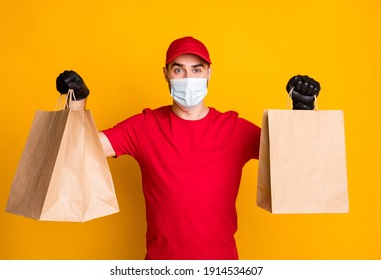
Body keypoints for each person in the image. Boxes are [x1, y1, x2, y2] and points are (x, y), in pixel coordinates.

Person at [56, 36, 320, 260]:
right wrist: (77, 102)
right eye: (178, 70)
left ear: (209, 73)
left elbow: (291, 157)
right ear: (166, 74)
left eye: (196, 69)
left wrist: (302, 110)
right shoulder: (145, 126)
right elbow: (82, 148)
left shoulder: (234, 129)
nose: (188, 77)